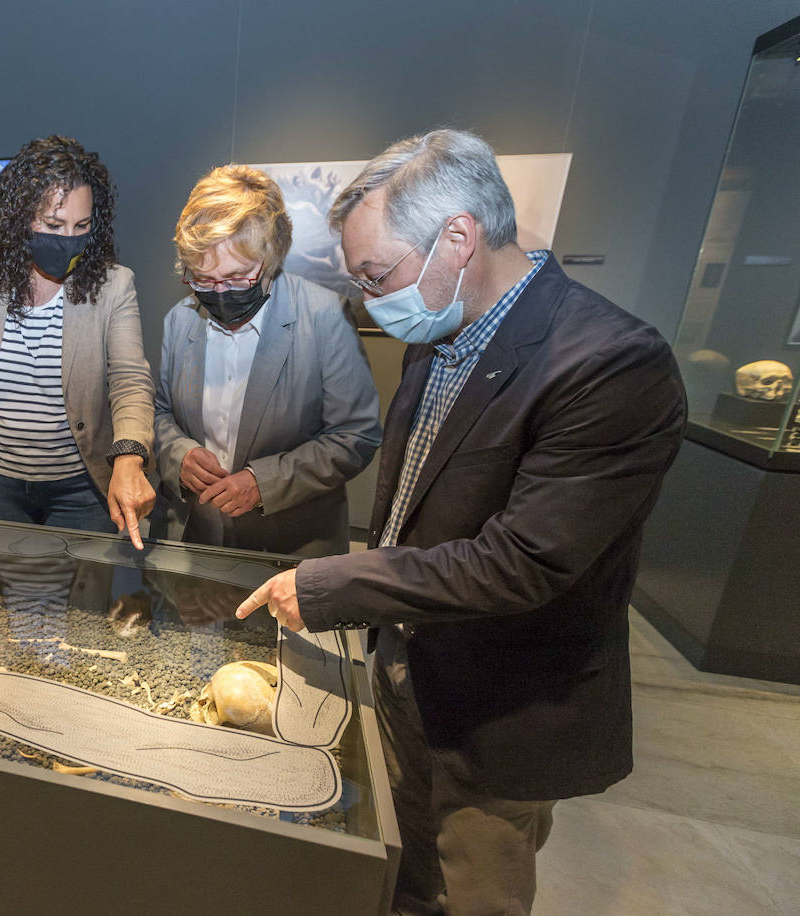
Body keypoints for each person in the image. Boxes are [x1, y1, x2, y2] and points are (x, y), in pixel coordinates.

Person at [236, 129, 686, 916]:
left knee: (473, 887)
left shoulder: (611, 364)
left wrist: (338, 582)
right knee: (402, 881)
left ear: (458, 236)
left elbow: (524, 562)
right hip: (407, 675)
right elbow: (413, 506)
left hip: (496, 710)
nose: (372, 302)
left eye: (377, 276)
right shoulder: (438, 328)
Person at [0, 135, 156, 547]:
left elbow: (130, 380)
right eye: (54, 226)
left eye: (82, 226)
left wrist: (129, 457)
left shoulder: (114, 285)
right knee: (10, 601)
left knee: (83, 604)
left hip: (80, 488)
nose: (69, 239)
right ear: (21, 218)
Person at [155, 165, 381, 558]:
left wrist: (265, 482)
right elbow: (160, 413)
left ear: (272, 257)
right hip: (197, 541)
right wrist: (180, 456)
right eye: (203, 280)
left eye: (238, 276)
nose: (220, 293)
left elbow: (355, 435)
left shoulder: (325, 316)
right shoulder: (180, 319)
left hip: (290, 547)